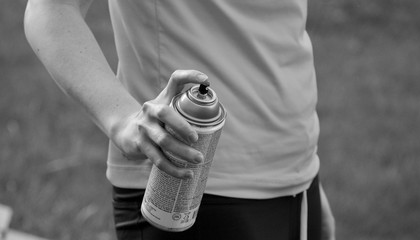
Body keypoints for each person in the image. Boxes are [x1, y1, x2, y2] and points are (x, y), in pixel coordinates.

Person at [24, 0, 335, 239]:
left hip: (297, 182)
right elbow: (52, 8)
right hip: (188, 189)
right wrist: (121, 118)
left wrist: (304, 174)